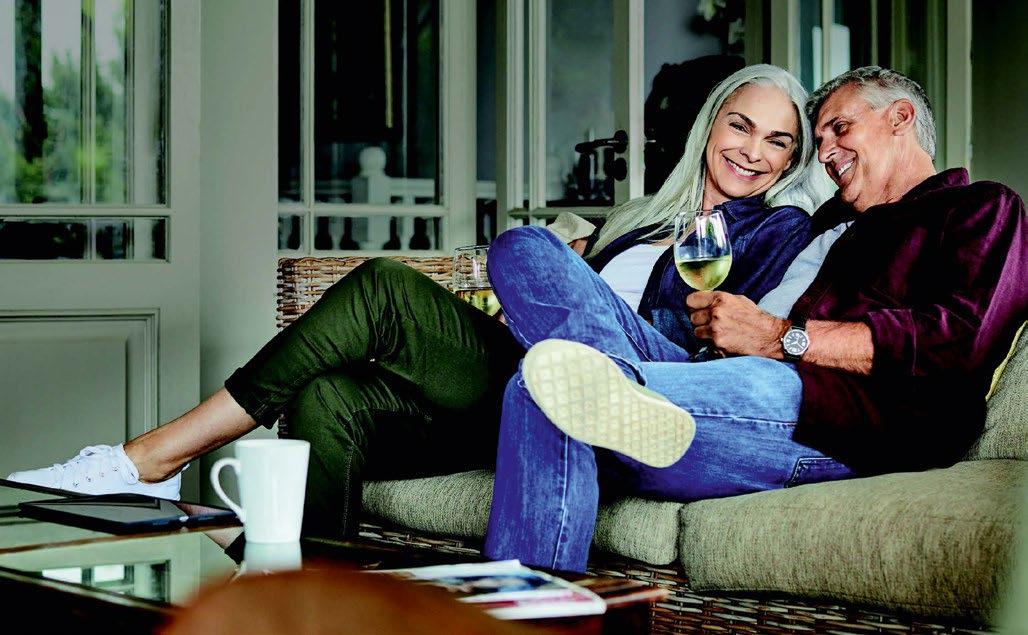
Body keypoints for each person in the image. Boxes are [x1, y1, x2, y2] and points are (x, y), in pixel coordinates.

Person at [7, 65, 829, 540]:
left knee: (393, 285)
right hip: (524, 388)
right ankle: (315, 602)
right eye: (740, 125)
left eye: (778, 141)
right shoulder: (639, 219)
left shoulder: (778, 228)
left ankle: (150, 458)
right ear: (710, 126)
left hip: (632, 402)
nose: (752, 151)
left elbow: (725, 352)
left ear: (793, 160)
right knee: (330, 397)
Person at [479, 65, 1028, 572]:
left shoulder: (980, 207)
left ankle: (623, 407)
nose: (826, 153)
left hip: (830, 416)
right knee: (526, 259)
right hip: (716, 374)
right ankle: (620, 405)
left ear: (899, 117)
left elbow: (960, 341)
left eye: (839, 129)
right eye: (820, 140)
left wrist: (780, 338)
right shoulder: (832, 222)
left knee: (544, 387)